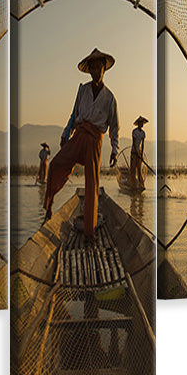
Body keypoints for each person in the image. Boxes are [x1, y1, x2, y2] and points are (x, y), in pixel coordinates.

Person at [43, 48, 119, 241]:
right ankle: (49, 205)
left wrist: (115, 150)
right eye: (92, 67)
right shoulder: (82, 90)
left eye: (98, 67)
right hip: (78, 136)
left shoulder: (110, 98)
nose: (95, 71)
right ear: (89, 70)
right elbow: (73, 114)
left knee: (92, 184)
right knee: (56, 164)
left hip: (94, 141)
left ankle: (89, 231)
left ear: (104, 69)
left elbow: (114, 127)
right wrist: (65, 133)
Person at [130, 116, 148, 190]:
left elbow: (142, 144)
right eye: (140, 123)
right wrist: (136, 152)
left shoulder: (143, 133)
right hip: (134, 151)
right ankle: (133, 185)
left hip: (139, 152)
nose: (141, 124)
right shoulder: (134, 131)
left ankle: (141, 185)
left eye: (142, 123)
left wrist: (141, 154)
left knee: (139, 169)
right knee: (133, 169)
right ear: (138, 124)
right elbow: (134, 142)